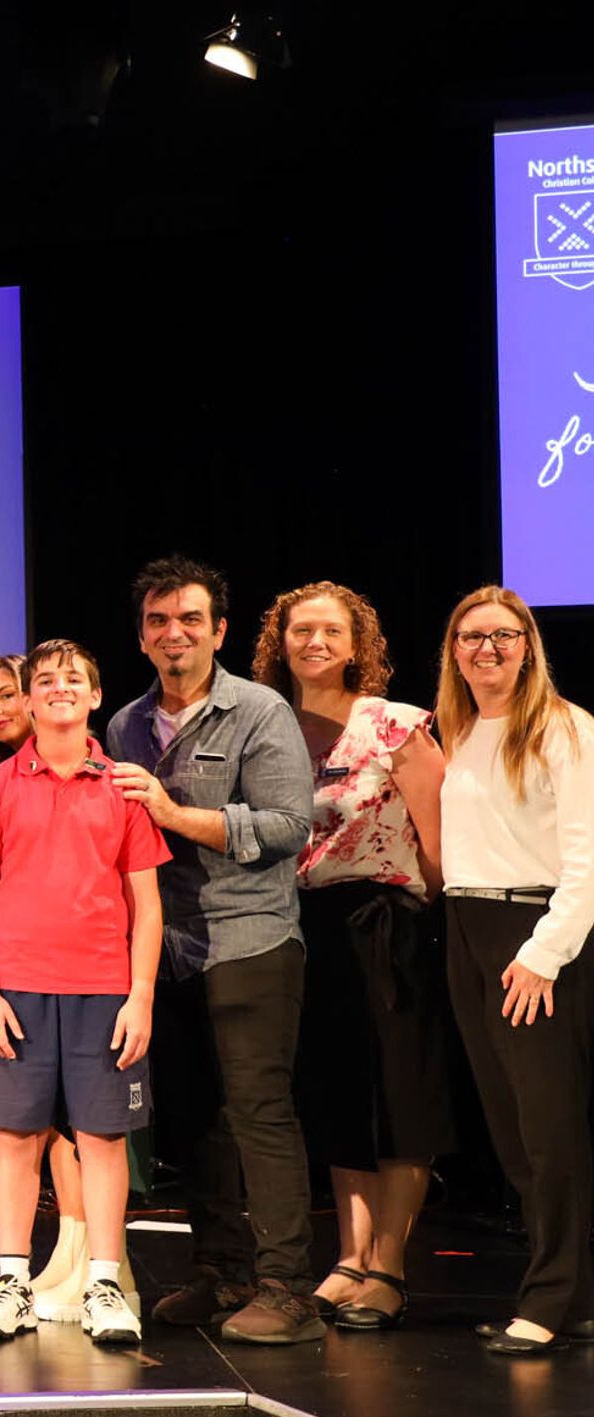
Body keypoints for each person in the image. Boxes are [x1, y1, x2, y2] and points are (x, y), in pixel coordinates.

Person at [104, 557, 321, 1345]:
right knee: (196, 1118)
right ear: (141, 636)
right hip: (166, 947)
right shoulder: (124, 726)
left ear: (219, 631)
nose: (175, 634)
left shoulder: (258, 710)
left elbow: (288, 826)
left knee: (259, 1113)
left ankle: (288, 1289)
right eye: (159, 621)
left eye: (191, 619)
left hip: (249, 937)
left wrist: (173, 813)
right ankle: (224, 1274)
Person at [0, 641, 167, 1348]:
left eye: (73, 678)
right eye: (44, 680)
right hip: (16, 989)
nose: (59, 688)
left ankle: (103, 1283)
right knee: (15, 1137)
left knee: (102, 1140)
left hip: (103, 990)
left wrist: (140, 995)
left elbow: (146, 905)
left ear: (95, 696)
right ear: (27, 700)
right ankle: (13, 1282)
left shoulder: (123, 788)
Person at [254, 581, 452, 1331]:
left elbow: (439, 843)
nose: (315, 642)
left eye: (331, 631)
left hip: (387, 924)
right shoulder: (271, 726)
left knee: (398, 1098)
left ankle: (390, 1267)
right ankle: (349, 1258)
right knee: (337, 1097)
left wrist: (418, 916)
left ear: (355, 645)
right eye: (300, 630)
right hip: (308, 927)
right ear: (280, 643)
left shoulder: (392, 724)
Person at [433, 587, 594, 1357]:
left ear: (528, 645)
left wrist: (541, 954)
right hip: (469, 929)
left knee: (548, 1127)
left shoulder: (564, 728)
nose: (487, 649)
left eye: (503, 635)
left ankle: (550, 1295)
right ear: (454, 652)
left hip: (533, 937)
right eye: (471, 637)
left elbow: (587, 861)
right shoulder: (460, 731)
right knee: (509, 1129)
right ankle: (577, 1295)